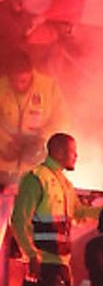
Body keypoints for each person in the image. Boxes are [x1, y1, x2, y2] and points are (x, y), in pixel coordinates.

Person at [9, 133, 103, 286]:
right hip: (42, 265)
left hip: (61, 265)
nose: (76, 156)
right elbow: (19, 220)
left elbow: (79, 213)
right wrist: (32, 255)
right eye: (73, 152)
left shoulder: (65, 184)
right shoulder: (36, 178)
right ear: (59, 152)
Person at [1, 49, 65, 188]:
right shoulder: (1, 87)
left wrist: (42, 139)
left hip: (36, 169)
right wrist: (5, 144)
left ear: (31, 73)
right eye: (14, 81)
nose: (18, 85)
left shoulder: (49, 88)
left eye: (23, 81)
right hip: (3, 168)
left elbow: (61, 121)